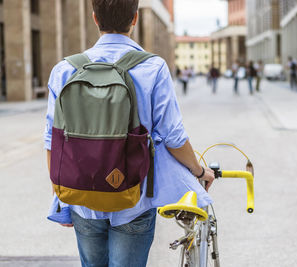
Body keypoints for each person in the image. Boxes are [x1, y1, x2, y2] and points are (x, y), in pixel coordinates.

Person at [44, 1, 215, 266]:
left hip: (81, 199)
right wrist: (198, 171)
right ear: (134, 18)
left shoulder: (64, 70)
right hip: (132, 199)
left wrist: (62, 194)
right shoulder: (153, 68)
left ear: (94, 18)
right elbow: (173, 136)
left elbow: (52, 140)